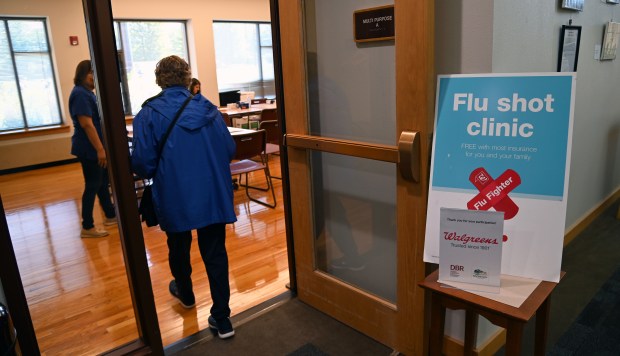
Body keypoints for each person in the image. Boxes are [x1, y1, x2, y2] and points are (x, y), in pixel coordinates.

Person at [131, 55, 237, 339]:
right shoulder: (209, 109)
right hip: (212, 191)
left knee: (178, 246)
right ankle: (222, 318)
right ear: (188, 78)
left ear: (159, 80)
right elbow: (229, 150)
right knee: (215, 253)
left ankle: (186, 293)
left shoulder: (148, 115)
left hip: (175, 192)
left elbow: (142, 163)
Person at [69, 60, 117, 238]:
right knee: (92, 185)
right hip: (89, 149)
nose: (94, 77)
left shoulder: (88, 93)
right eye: (91, 73)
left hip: (94, 148)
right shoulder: (80, 94)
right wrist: (100, 150)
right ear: (82, 75)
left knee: (102, 183)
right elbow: (87, 124)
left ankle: (110, 215)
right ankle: (87, 226)